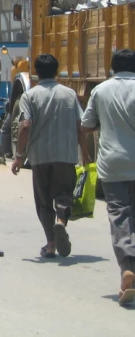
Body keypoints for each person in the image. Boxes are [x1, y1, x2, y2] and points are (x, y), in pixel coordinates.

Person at [11, 54, 89, 259]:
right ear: (56, 71)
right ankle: (61, 220)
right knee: (64, 194)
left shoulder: (30, 96)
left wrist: (19, 156)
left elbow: (25, 125)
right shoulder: (69, 94)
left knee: (44, 202)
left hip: (40, 156)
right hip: (65, 154)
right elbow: (80, 126)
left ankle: (51, 244)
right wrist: (86, 154)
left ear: (36, 72)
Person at [81, 49, 135, 305]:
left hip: (113, 164)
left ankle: (127, 266)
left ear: (112, 67)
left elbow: (87, 124)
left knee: (119, 213)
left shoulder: (100, 90)